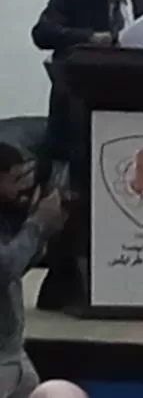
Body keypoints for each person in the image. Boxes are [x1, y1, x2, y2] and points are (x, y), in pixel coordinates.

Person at [28, 0, 143, 312]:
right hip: (76, 115)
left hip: (128, 118)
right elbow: (43, 33)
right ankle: (63, 285)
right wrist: (92, 39)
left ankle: (116, 281)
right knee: (71, 203)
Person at [0, 141, 66, 398]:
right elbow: (5, 268)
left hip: (12, 350)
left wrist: (44, 229)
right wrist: (36, 225)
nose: (23, 187)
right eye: (15, 179)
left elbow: (19, 266)